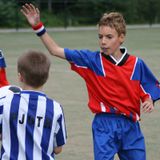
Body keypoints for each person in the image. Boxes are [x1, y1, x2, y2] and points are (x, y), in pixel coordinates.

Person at [21, 4, 160, 160]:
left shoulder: (136, 64)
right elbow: (55, 50)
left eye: (109, 37)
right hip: (104, 125)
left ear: (121, 37)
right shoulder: (91, 61)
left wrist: (149, 100)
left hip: (131, 126)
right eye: (100, 37)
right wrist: (38, 26)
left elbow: (150, 87)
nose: (103, 41)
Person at [0, 50, 67, 160]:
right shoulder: (55, 109)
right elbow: (57, 149)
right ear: (46, 78)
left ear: (20, 77)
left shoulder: (6, 102)